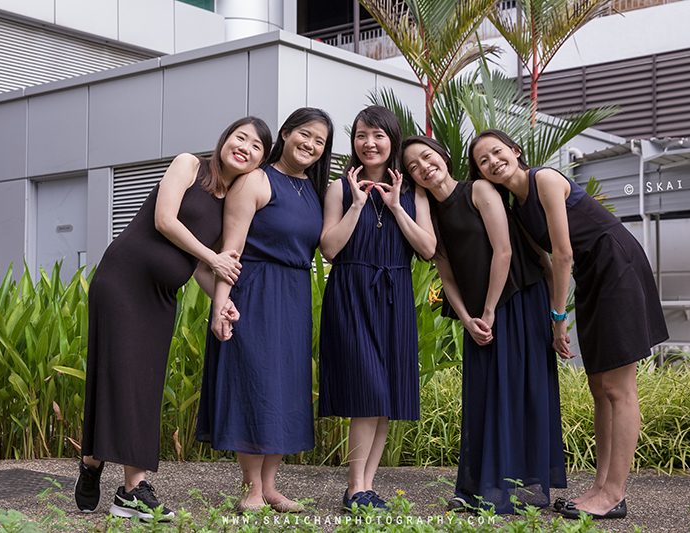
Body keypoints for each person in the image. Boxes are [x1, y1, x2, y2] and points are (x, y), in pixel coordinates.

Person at [75, 117, 272, 521]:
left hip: (162, 295)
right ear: (224, 140)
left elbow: (201, 267)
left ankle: (94, 460)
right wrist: (213, 256)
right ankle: (133, 490)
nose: (246, 147)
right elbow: (165, 220)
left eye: (256, 147)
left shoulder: (228, 204)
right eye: (241, 137)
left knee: (144, 384)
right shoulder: (189, 165)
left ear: (259, 163)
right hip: (122, 281)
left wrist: (221, 303)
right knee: (121, 375)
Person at [469, 129, 668, 520]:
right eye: (483, 161)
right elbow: (543, 264)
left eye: (497, 152)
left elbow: (562, 255)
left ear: (515, 150)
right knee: (599, 386)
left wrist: (558, 320)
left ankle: (614, 494)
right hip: (594, 277)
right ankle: (599, 487)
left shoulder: (543, 179)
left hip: (617, 266)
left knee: (618, 387)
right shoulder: (516, 206)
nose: (493, 162)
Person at [401, 135, 566, 513]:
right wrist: (466, 318)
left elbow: (504, 249)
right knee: (481, 396)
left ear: (443, 156)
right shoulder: (429, 215)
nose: (424, 167)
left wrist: (489, 310)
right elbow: (446, 274)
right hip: (477, 316)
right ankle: (474, 489)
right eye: (414, 167)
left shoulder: (478, 189)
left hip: (516, 300)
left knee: (519, 391)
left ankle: (519, 490)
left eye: (427, 157)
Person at [195, 107, 334, 513]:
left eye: (319, 141)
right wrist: (221, 305)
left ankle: (271, 487)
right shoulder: (256, 179)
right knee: (253, 384)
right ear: (286, 135)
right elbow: (229, 252)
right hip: (254, 290)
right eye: (304, 134)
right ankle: (252, 488)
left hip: (293, 293)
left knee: (285, 389)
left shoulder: (314, 189)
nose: (310, 144)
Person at [318, 107, 435, 511]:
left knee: (386, 397)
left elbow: (428, 249)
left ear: (392, 141)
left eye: (378, 136)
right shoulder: (338, 187)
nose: (370, 143)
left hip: (395, 294)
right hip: (351, 291)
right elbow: (330, 249)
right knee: (368, 391)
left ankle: (366, 486)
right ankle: (354, 488)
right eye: (362, 135)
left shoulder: (412, 191)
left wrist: (397, 206)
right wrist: (356, 203)